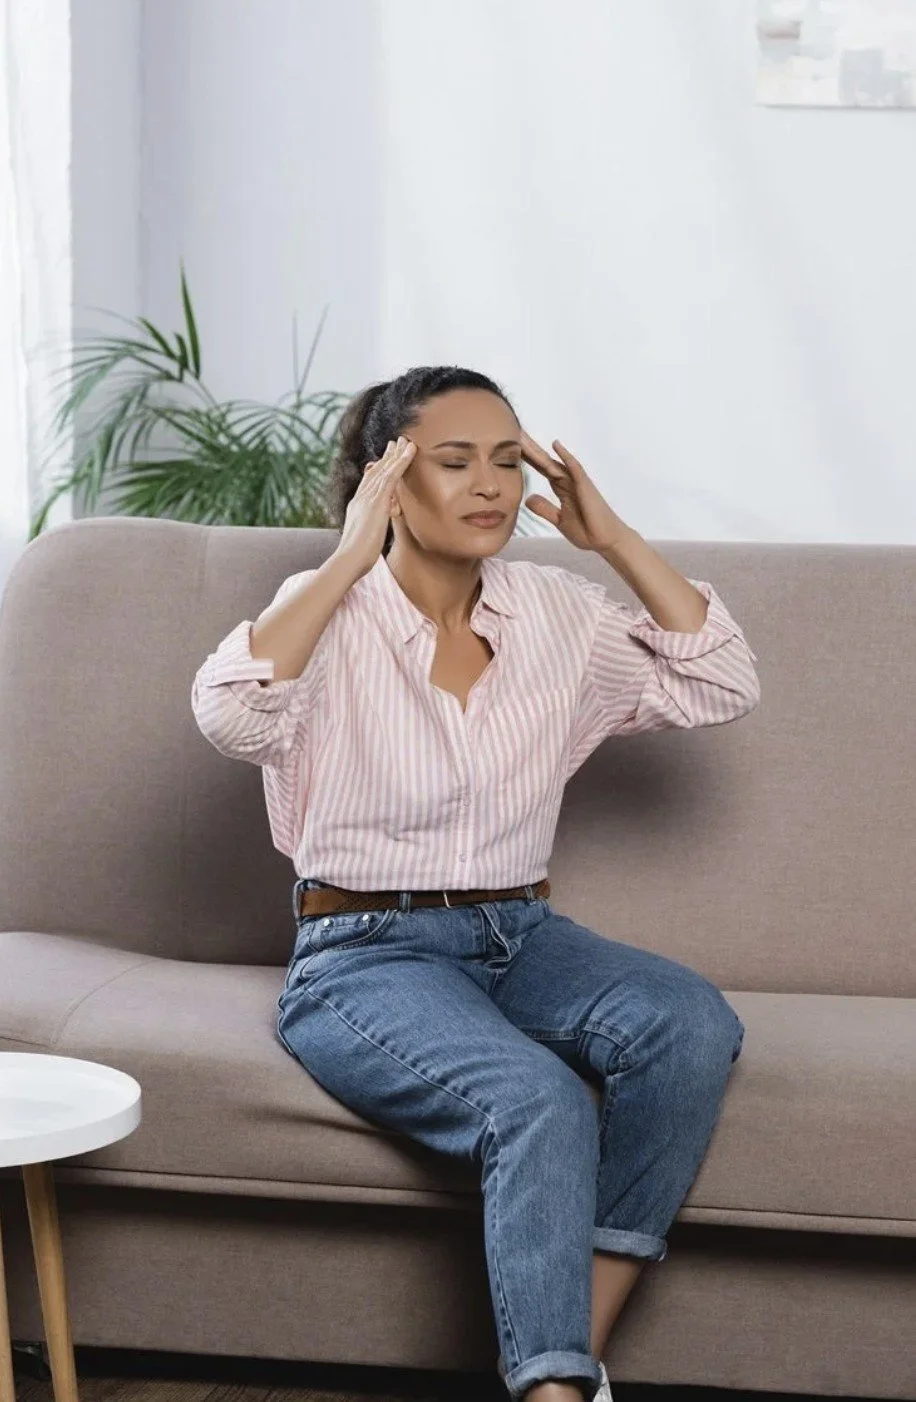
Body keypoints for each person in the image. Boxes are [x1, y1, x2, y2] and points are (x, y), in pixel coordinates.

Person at [191, 365, 758, 1402]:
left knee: (686, 1020)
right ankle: (550, 1390)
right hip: (361, 954)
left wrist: (613, 540)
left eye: (508, 458)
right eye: (453, 461)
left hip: (520, 934)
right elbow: (232, 716)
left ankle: (569, 1359)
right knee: (534, 1098)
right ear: (389, 481)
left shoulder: (559, 612)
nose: (491, 484)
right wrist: (349, 553)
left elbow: (717, 680)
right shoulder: (323, 611)